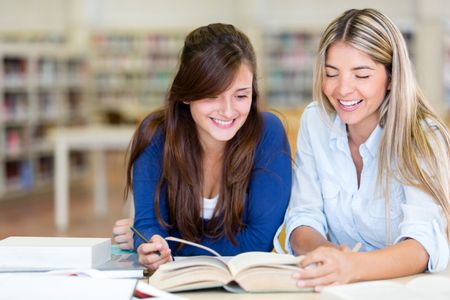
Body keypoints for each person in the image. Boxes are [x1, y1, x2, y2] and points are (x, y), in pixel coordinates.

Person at [278, 8, 450, 290]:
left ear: (391, 77)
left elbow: (422, 244)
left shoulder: (422, 136)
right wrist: (328, 258)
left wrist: (351, 267)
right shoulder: (315, 121)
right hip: (335, 289)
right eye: (331, 74)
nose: (343, 89)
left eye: (362, 75)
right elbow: (303, 218)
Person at [118, 23, 292, 270]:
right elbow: (149, 227)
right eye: (212, 95)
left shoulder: (267, 132)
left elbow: (258, 242)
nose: (229, 111)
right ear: (187, 93)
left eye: (241, 95)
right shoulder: (156, 135)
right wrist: (149, 244)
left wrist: (164, 241)